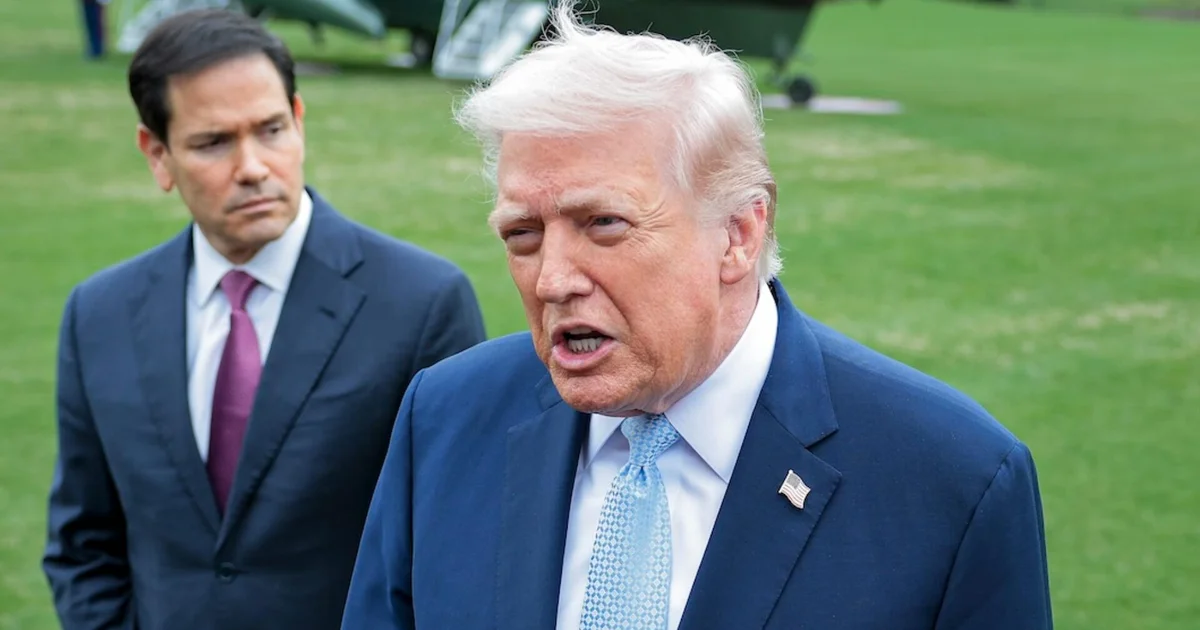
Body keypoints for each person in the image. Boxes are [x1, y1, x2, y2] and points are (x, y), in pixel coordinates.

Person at [340, 4, 1053, 629]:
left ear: (739, 233)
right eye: (523, 234)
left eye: (604, 224)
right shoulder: (446, 418)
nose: (552, 280)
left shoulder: (952, 479)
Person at [41, 8, 487, 630]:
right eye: (213, 142)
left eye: (271, 129)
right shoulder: (100, 314)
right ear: (157, 154)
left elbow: (458, 546)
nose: (252, 167)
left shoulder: (422, 304)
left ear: (299, 121)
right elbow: (83, 545)